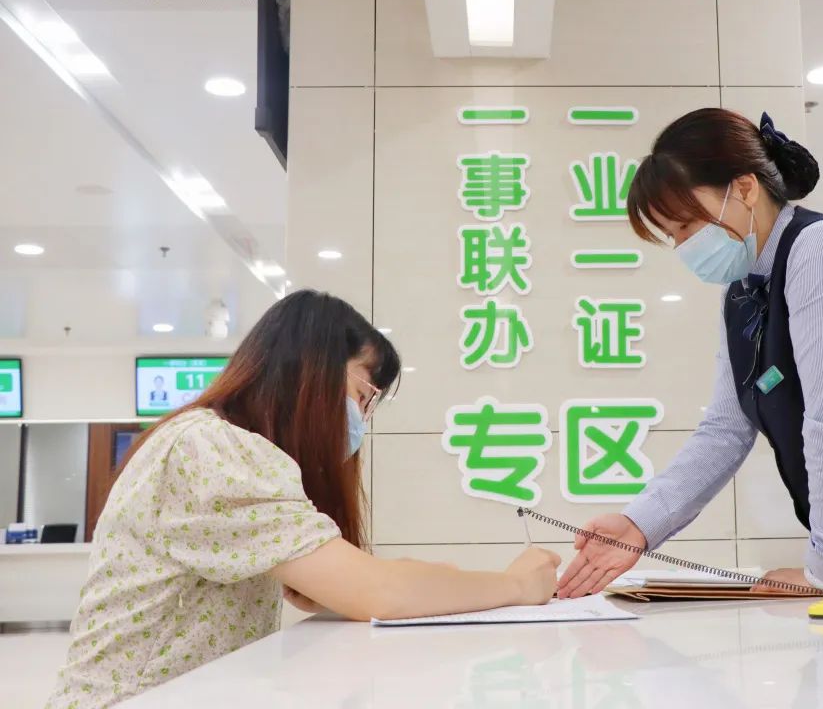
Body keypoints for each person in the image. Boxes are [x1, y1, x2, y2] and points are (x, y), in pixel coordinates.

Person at [48, 290, 560, 709]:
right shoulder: (211, 448)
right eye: (363, 395)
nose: (361, 417)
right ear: (309, 370)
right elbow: (378, 591)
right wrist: (515, 585)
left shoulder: (219, 444)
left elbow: (347, 586)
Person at [557, 108, 823, 599]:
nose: (683, 246)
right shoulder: (744, 292)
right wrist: (638, 524)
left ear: (745, 188)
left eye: (686, 225)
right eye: (672, 236)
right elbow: (724, 430)